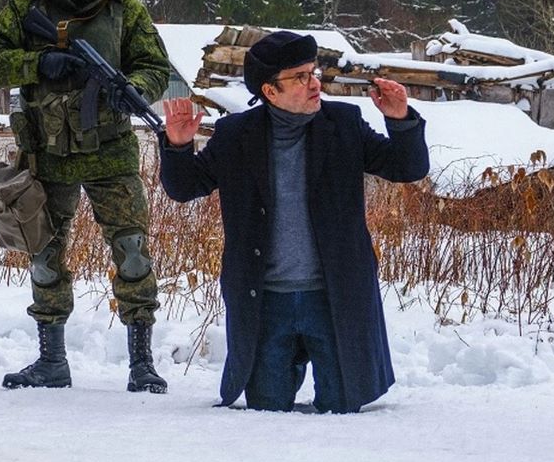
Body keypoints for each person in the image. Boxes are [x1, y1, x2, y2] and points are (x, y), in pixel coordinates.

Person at [158, 30, 429, 413]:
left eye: (313, 72)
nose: (314, 83)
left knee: (342, 408)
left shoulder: (344, 124)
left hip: (333, 296)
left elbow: (408, 167)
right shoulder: (236, 135)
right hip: (266, 300)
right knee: (266, 413)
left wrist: (400, 120)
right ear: (270, 91)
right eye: (300, 77)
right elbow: (185, 187)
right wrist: (179, 146)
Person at [0, 0, 172, 393]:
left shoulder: (124, 9)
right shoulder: (27, 8)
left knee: (131, 251)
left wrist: (131, 88)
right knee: (44, 252)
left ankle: (141, 363)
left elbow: (156, 67)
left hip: (111, 153)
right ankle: (51, 361)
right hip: (49, 156)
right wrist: (41, 63)